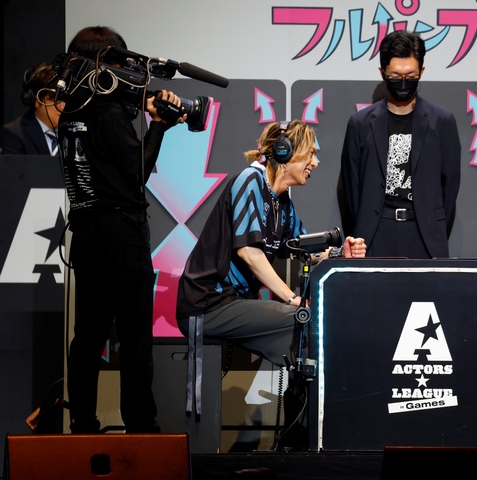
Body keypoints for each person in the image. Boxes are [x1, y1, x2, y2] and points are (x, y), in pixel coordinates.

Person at [177, 120, 366, 447]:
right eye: (310, 153)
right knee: (304, 321)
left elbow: (302, 249)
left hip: (233, 304)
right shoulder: (250, 181)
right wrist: (293, 299)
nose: (316, 162)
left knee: (307, 340)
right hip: (206, 304)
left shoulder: (282, 202)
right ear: (284, 152)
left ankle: (297, 439)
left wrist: (339, 253)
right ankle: (294, 440)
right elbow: (249, 252)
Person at [58, 25, 189, 434]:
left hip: (88, 237)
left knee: (87, 338)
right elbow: (136, 172)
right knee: (134, 342)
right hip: (121, 239)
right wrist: (160, 126)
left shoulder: (72, 111)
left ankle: (82, 426)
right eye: (119, 62)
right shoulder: (108, 113)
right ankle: (141, 430)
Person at [340, 29, 461, 258]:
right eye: (395, 76)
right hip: (373, 235)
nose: (403, 83)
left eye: (411, 76)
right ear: (383, 73)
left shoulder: (442, 122)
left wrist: (432, 225)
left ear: (421, 72)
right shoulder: (360, 124)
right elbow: (351, 187)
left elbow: (450, 186)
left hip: (425, 236)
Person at [1, 62, 64, 155]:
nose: (62, 107)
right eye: (53, 100)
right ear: (36, 100)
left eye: (64, 99)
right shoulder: (14, 134)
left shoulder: (75, 132)